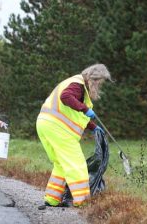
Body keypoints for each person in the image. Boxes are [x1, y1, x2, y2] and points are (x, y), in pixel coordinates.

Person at [36, 63, 111, 208]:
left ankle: (52, 198)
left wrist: (94, 127)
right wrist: (85, 109)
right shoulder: (77, 85)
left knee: (61, 164)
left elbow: (75, 112)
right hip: (58, 129)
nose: (99, 86)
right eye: (100, 82)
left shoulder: (76, 85)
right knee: (76, 164)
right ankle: (83, 201)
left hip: (45, 125)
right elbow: (66, 97)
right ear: (94, 79)